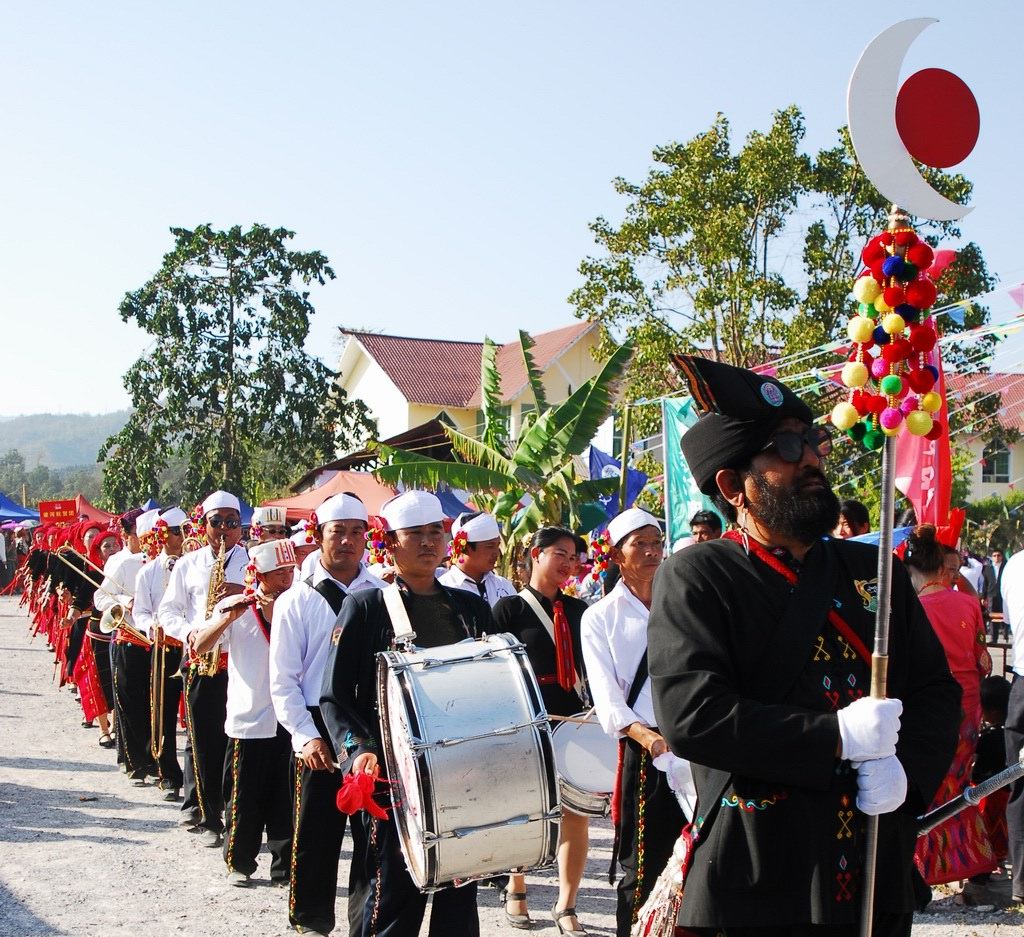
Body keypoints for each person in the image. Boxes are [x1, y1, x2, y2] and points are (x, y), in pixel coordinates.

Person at [647, 354, 960, 937]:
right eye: (785, 450)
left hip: (872, 856)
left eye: (811, 442)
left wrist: (907, 772)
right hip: (760, 868)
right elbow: (693, 716)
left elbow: (935, 690)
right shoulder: (696, 575)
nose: (811, 459)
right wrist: (834, 737)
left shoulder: (873, 569)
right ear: (731, 486)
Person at [320, 490, 494, 937]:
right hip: (390, 777)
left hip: (461, 771)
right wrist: (358, 752)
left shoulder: (471, 609)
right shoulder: (366, 606)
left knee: (460, 894)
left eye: (434, 531)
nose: (427, 542)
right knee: (390, 894)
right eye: (413, 534)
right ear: (390, 543)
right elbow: (334, 696)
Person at [271, 492, 384, 937]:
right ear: (319, 536)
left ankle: (366, 921)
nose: (348, 541)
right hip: (318, 724)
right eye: (338, 531)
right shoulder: (295, 600)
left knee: (372, 832)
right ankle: (311, 919)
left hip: (367, 726)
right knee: (316, 830)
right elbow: (283, 679)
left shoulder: (381, 594)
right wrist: (305, 736)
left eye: (357, 532)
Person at [581, 507, 694, 936]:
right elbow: (608, 700)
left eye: (656, 542)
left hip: (694, 738)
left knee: (701, 852)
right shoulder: (600, 617)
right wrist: (650, 740)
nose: (651, 552)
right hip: (645, 749)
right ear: (616, 555)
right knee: (642, 862)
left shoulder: (683, 601)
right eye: (639, 544)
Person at [493, 528, 591, 934]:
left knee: (576, 812)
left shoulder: (581, 610)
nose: (569, 563)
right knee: (524, 810)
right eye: (560, 554)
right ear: (536, 555)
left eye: (573, 557)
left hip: (573, 720)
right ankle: (516, 886)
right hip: (526, 719)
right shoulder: (507, 610)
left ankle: (566, 904)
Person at [192, 538, 297, 888]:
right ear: (259, 575)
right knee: (244, 797)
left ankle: (285, 869)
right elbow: (199, 646)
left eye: (290, 571)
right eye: (278, 573)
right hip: (248, 719)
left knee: (287, 798)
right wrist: (226, 618)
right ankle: (239, 861)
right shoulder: (236, 606)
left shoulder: (297, 606)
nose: (286, 579)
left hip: (291, 717)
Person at [904, 524, 995, 892]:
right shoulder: (969, 603)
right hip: (968, 708)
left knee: (925, 782)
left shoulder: (912, 609)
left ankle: (924, 863)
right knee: (960, 783)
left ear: (916, 572)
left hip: (929, 710)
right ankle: (969, 860)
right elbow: (984, 660)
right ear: (945, 570)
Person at [159, 490, 249, 846]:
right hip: (202, 661)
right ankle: (210, 816)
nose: (224, 529)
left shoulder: (255, 560)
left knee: (239, 744)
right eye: (217, 522)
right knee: (205, 743)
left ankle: (238, 816)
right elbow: (169, 612)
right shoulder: (188, 563)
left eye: (231, 522)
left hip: (243, 662)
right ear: (204, 524)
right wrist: (191, 632)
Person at [132, 507, 188, 800]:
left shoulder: (195, 565)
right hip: (165, 648)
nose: (183, 537)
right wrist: (151, 627)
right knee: (162, 712)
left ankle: (197, 778)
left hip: (192, 647)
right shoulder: (148, 571)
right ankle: (167, 773)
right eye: (178, 531)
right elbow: (140, 611)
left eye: (187, 531)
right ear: (163, 534)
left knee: (196, 715)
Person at [95, 507, 152, 783]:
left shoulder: (157, 560)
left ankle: (153, 757)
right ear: (128, 535)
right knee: (129, 702)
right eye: (137, 534)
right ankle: (133, 760)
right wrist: (123, 602)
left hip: (155, 639)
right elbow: (100, 597)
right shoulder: (121, 562)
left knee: (151, 702)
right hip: (128, 636)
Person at [999, 546, 1024, 903]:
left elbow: (1008, 618)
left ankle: (1022, 880)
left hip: (1022, 685)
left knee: (1020, 786)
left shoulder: (1014, 563)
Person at [438, 511, 516, 606]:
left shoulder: (504, 586)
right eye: (490, 546)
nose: (496, 553)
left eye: (497, 545)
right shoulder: (443, 588)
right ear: (466, 547)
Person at [984, 550, 1008, 642]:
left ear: (1001, 557)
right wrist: (983, 596)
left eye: (998, 555)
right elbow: (985, 583)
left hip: (1003, 595)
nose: (996, 557)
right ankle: (994, 638)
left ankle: (1005, 633)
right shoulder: (988, 568)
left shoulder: (1006, 568)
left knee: (1004, 615)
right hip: (991, 595)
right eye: (994, 555)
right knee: (992, 616)